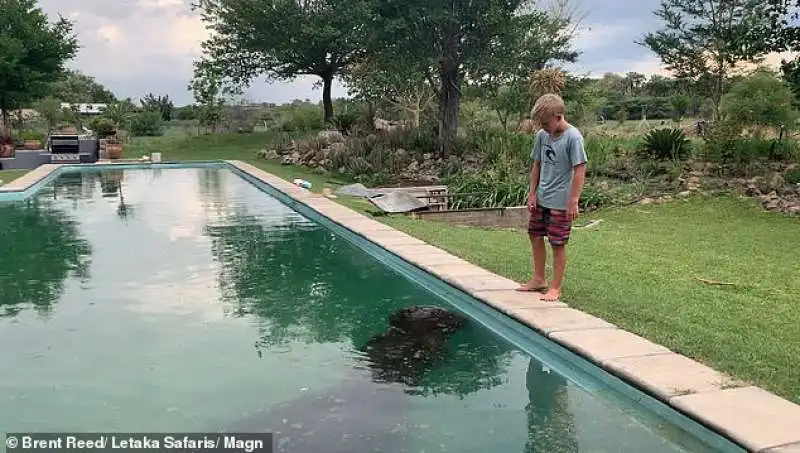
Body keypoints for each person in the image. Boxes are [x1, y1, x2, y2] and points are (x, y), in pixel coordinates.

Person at [517, 93, 587, 302]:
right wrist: (532, 193)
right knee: (535, 235)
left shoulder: (573, 137)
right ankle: (539, 279)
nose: (544, 127)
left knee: (557, 243)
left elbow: (580, 170)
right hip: (542, 198)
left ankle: (555, 287)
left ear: (559, 116)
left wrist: (573, 200)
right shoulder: (542, 136)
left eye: (546, 123)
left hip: (561, 202)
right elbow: (537, 164)